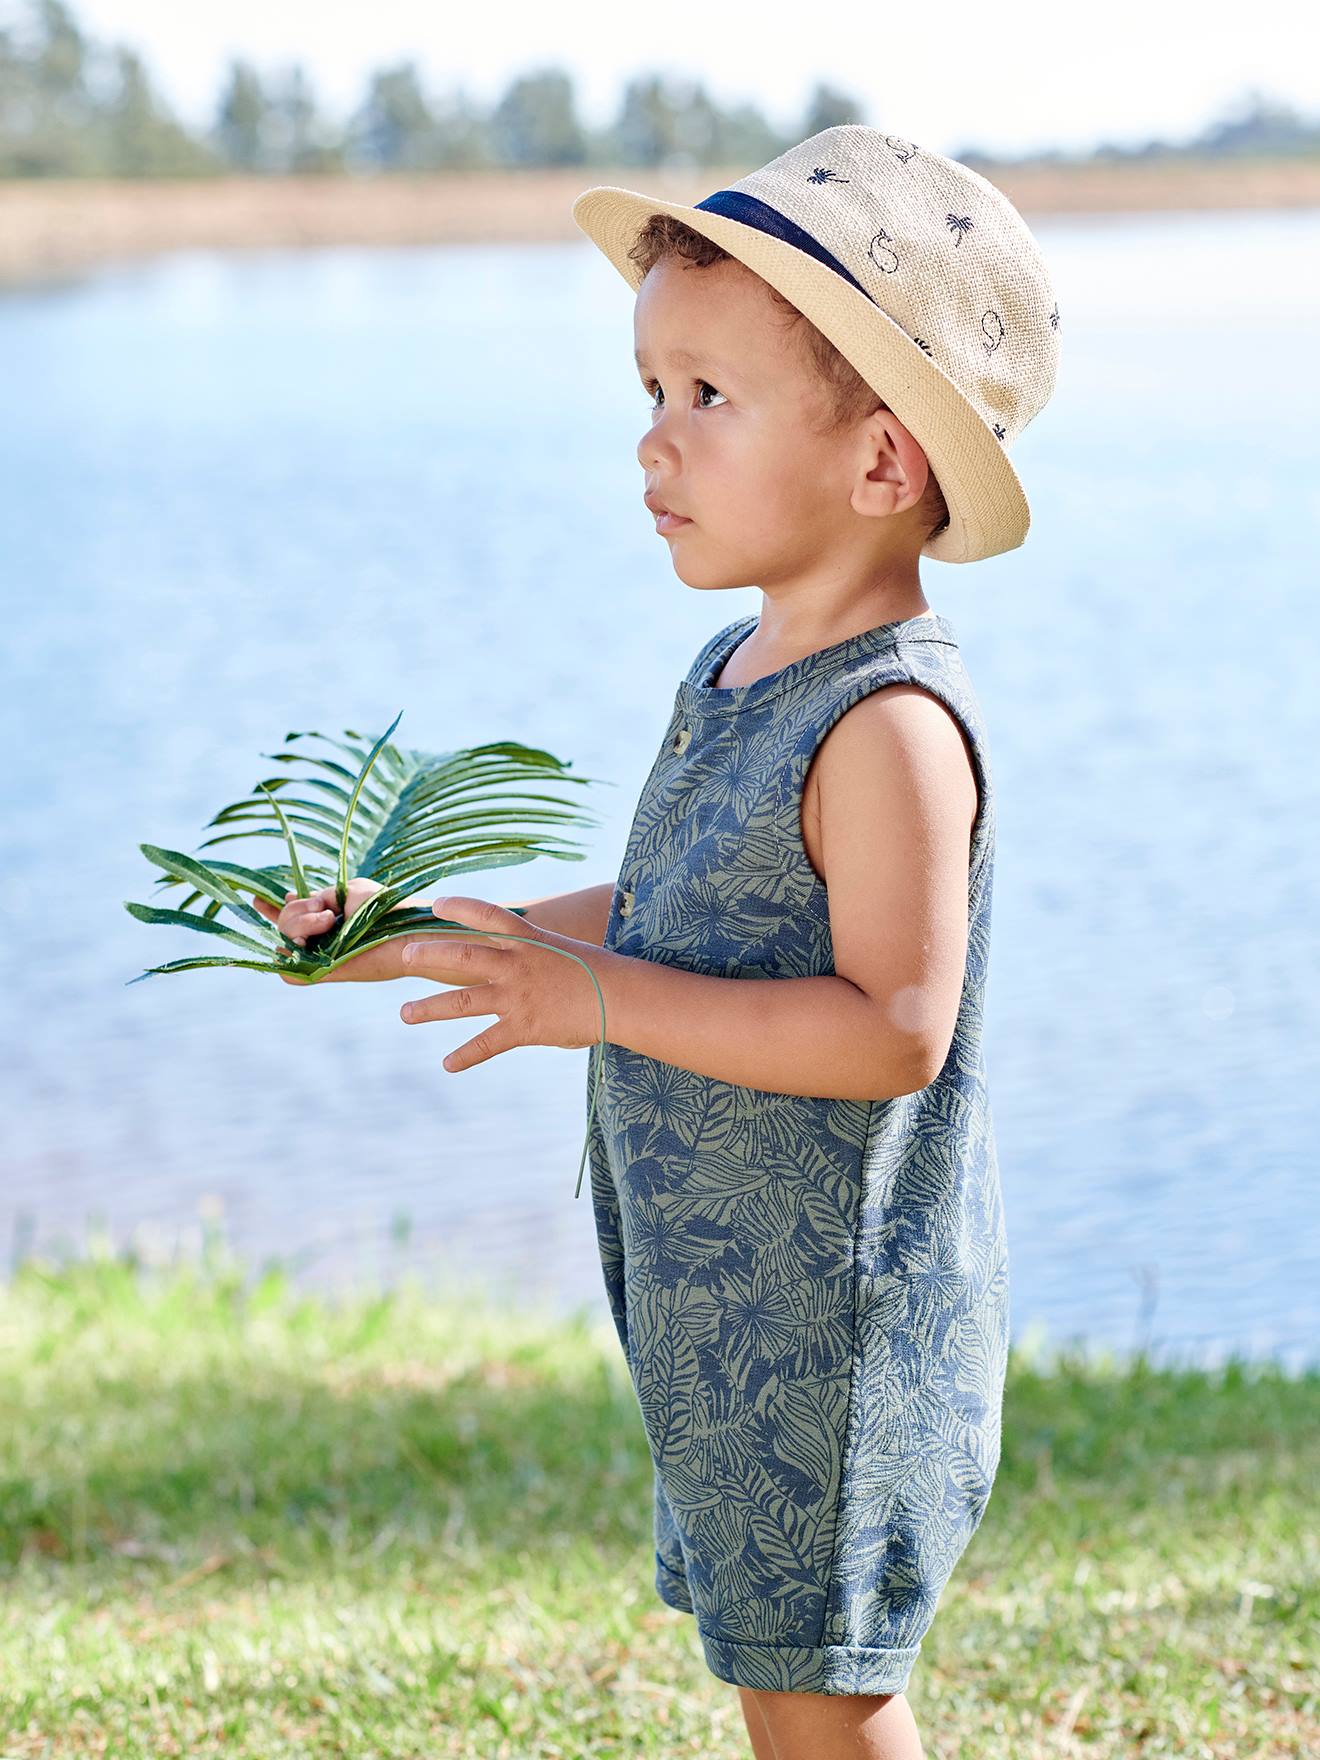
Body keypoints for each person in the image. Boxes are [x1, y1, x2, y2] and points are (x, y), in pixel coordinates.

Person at [257, 124, 1060, 1760]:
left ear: (883, 463)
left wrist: (599, 1004)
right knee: (784, 1684)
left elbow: (895, 1024)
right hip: (729, 1312)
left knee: (824, 1700)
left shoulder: (888, 724)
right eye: (648, 395)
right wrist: (430, 934)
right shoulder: (738, 671)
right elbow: (669, 912)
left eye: (707, 399)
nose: (653, 445)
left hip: (836, 1331)